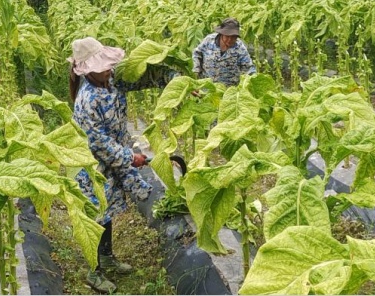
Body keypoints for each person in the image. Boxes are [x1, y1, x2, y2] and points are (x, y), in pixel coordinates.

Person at [68, 36, 171, 293]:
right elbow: (98, 144)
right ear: (89, 69)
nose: (109, 68)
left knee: (108, 211)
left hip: (111, 160)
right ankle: (93, 272)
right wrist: (129, 157)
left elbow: (143, 78)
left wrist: (174, 80)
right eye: (102, 65)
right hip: (92, 167)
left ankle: (107, 258)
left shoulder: (110, 82)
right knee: (96, 216)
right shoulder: (87, 100)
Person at [192, 17, 256, 86]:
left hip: (227, 91)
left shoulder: (239, 47)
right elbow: (197, 54)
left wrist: (252, 81)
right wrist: (196, 71)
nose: (230, 40)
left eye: (233, 37)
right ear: (222, 34)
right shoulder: (209, 40)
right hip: (207, 87)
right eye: (227, 36)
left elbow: (248, 68)